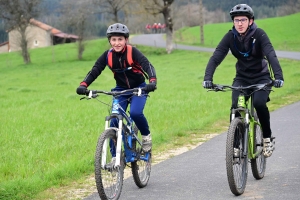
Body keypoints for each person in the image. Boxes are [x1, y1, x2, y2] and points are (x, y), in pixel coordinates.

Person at [202, 4, 284, 157]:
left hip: (262, 77)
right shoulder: (230, 37)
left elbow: (271, 55)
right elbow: (216, 56)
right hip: (242, 78)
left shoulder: (259, 34)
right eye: (236, 20)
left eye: (243, 20)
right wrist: (208, 78)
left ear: (250, 21)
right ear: (233, 22)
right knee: (236, 106)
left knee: (259, 103)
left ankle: (267, 138)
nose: (239, 23)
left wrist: (278, 77)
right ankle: (236, 145)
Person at [76, 23, 157, 153]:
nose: (117, 43)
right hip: (120, 90)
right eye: (114, 39)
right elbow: (95, 70)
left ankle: (146, 136)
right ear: (110, 41)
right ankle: (115, 158)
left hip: (139, 88)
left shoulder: (132, 52)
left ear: (126, 40)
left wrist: (152, 81)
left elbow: (147, 65)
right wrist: (83, 85)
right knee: (114, 121)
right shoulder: (107, 55)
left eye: (120, 39)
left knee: (136, 113)